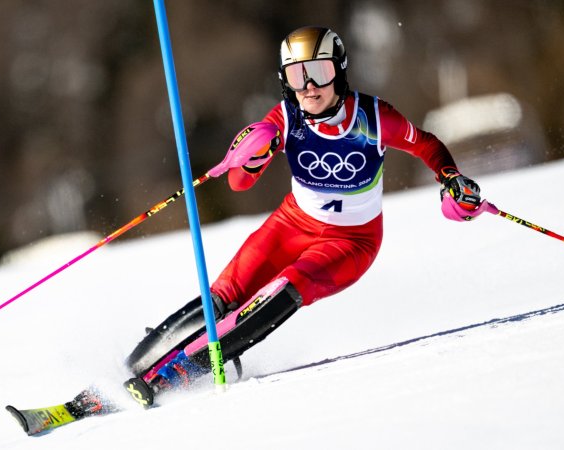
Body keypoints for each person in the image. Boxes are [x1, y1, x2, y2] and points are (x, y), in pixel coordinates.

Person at [121, 26, 492, 407]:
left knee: (286, 286)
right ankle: (134, 365)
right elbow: (238, 185)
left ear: (340, 71)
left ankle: (179, 373)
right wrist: (254, 157)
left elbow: (427, 145)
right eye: (297, 76)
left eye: (320, 72)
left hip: (352, 241)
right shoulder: (286, 117)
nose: (310, 87)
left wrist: (450, 177)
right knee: (226, 293)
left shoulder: (373, 118)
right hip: (292, 224)